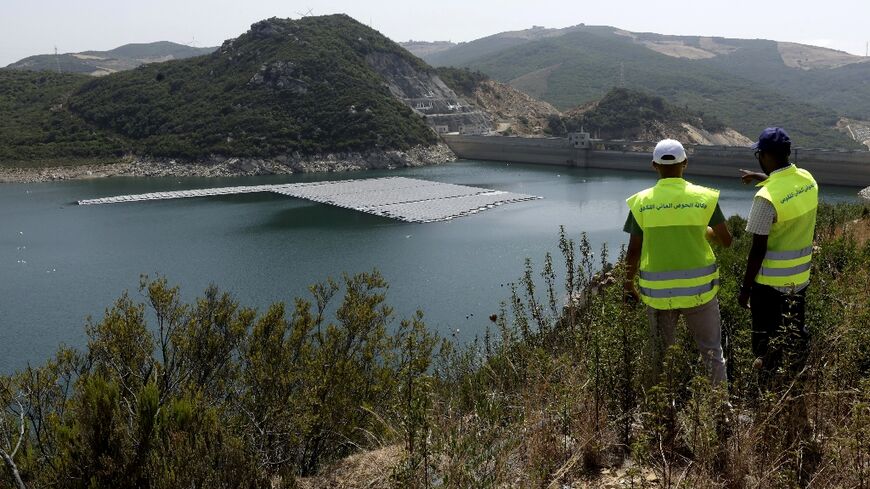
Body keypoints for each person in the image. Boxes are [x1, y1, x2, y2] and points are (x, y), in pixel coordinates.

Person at [623, 139, 732, 385]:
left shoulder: (641, 202)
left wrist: (627, 286)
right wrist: (704, 231)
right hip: (700, 292)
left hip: (660, 295)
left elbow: (633, 252)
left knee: (662, 357)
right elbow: (726, 241)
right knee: (712, 352)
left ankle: (664, 415)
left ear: (654, 165)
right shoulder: (704, 198)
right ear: (685, 163)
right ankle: (721, 412)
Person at [738, 127, 818, 384]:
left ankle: (767, 391)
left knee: (764, 341)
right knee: (795, 333)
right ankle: (797, 382)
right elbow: (785, 184)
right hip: (800, 279)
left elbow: (757, 248)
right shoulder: (807, 179)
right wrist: (760, 175)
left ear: (765, 156)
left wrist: (745, 288)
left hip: (769, 286)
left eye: (759, 155)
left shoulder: (765, 198)